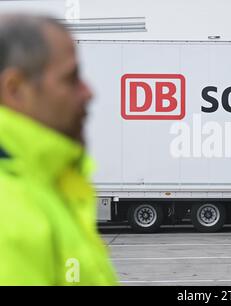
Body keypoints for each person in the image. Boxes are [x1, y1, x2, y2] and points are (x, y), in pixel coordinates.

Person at [0, 14, 117, 285]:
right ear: (15, 90)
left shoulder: (49, 188)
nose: (89, 93)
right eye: (71, 79)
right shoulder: (10, 214)